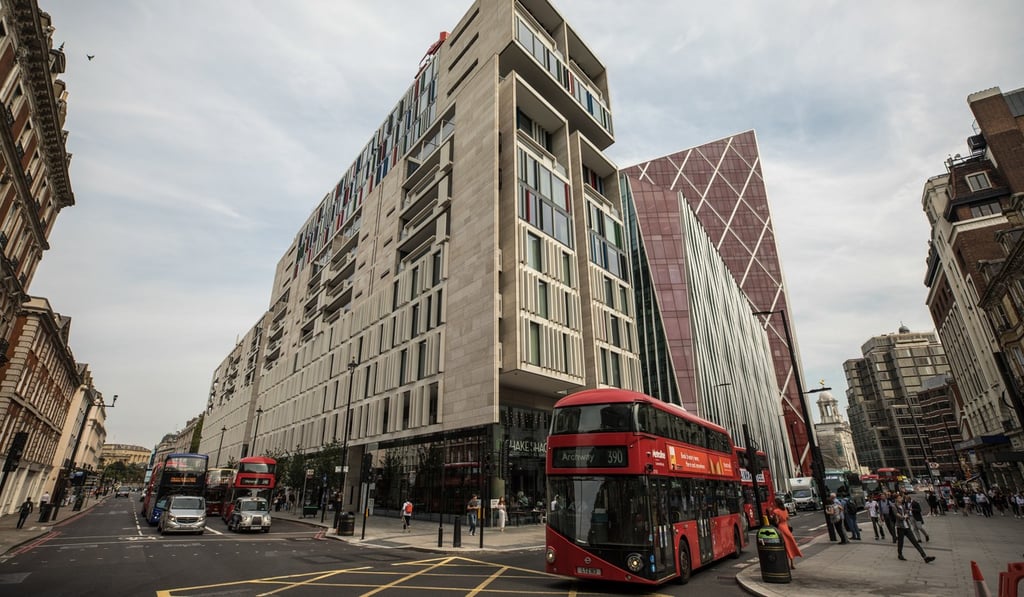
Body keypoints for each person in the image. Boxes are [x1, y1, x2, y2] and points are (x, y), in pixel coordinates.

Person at [894, 494, 935, 563]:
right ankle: (900, 554)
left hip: (907, 527)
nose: (901, 499)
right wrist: (904, 517)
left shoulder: (903, 506)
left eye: (901, 498)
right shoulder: (894, 506)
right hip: (900, 528)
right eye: (900, 498)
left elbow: (906, 512)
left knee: (915, 542)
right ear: (896, 499)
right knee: (900, 543)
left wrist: (907, 514)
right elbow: (897, 514)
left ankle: (925, 557)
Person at [769, 497, 803, 569]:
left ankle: (785, 563)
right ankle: (792, 564)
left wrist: (772, 518)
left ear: (776, 504)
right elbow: (788, 518)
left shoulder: (776, 511)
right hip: (786, 527)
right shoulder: (785, 510)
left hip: (781, 528)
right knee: (790, 545)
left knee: (784, 546)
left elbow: (777, 522)